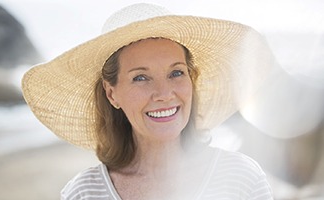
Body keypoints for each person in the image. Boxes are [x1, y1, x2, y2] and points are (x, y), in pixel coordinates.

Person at [22, 3, 275, 200]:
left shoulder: (241, 178)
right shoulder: (84, 193)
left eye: (176, 72)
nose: (164, 93)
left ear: (191, 80)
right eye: (141, 77)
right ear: (111, 93)